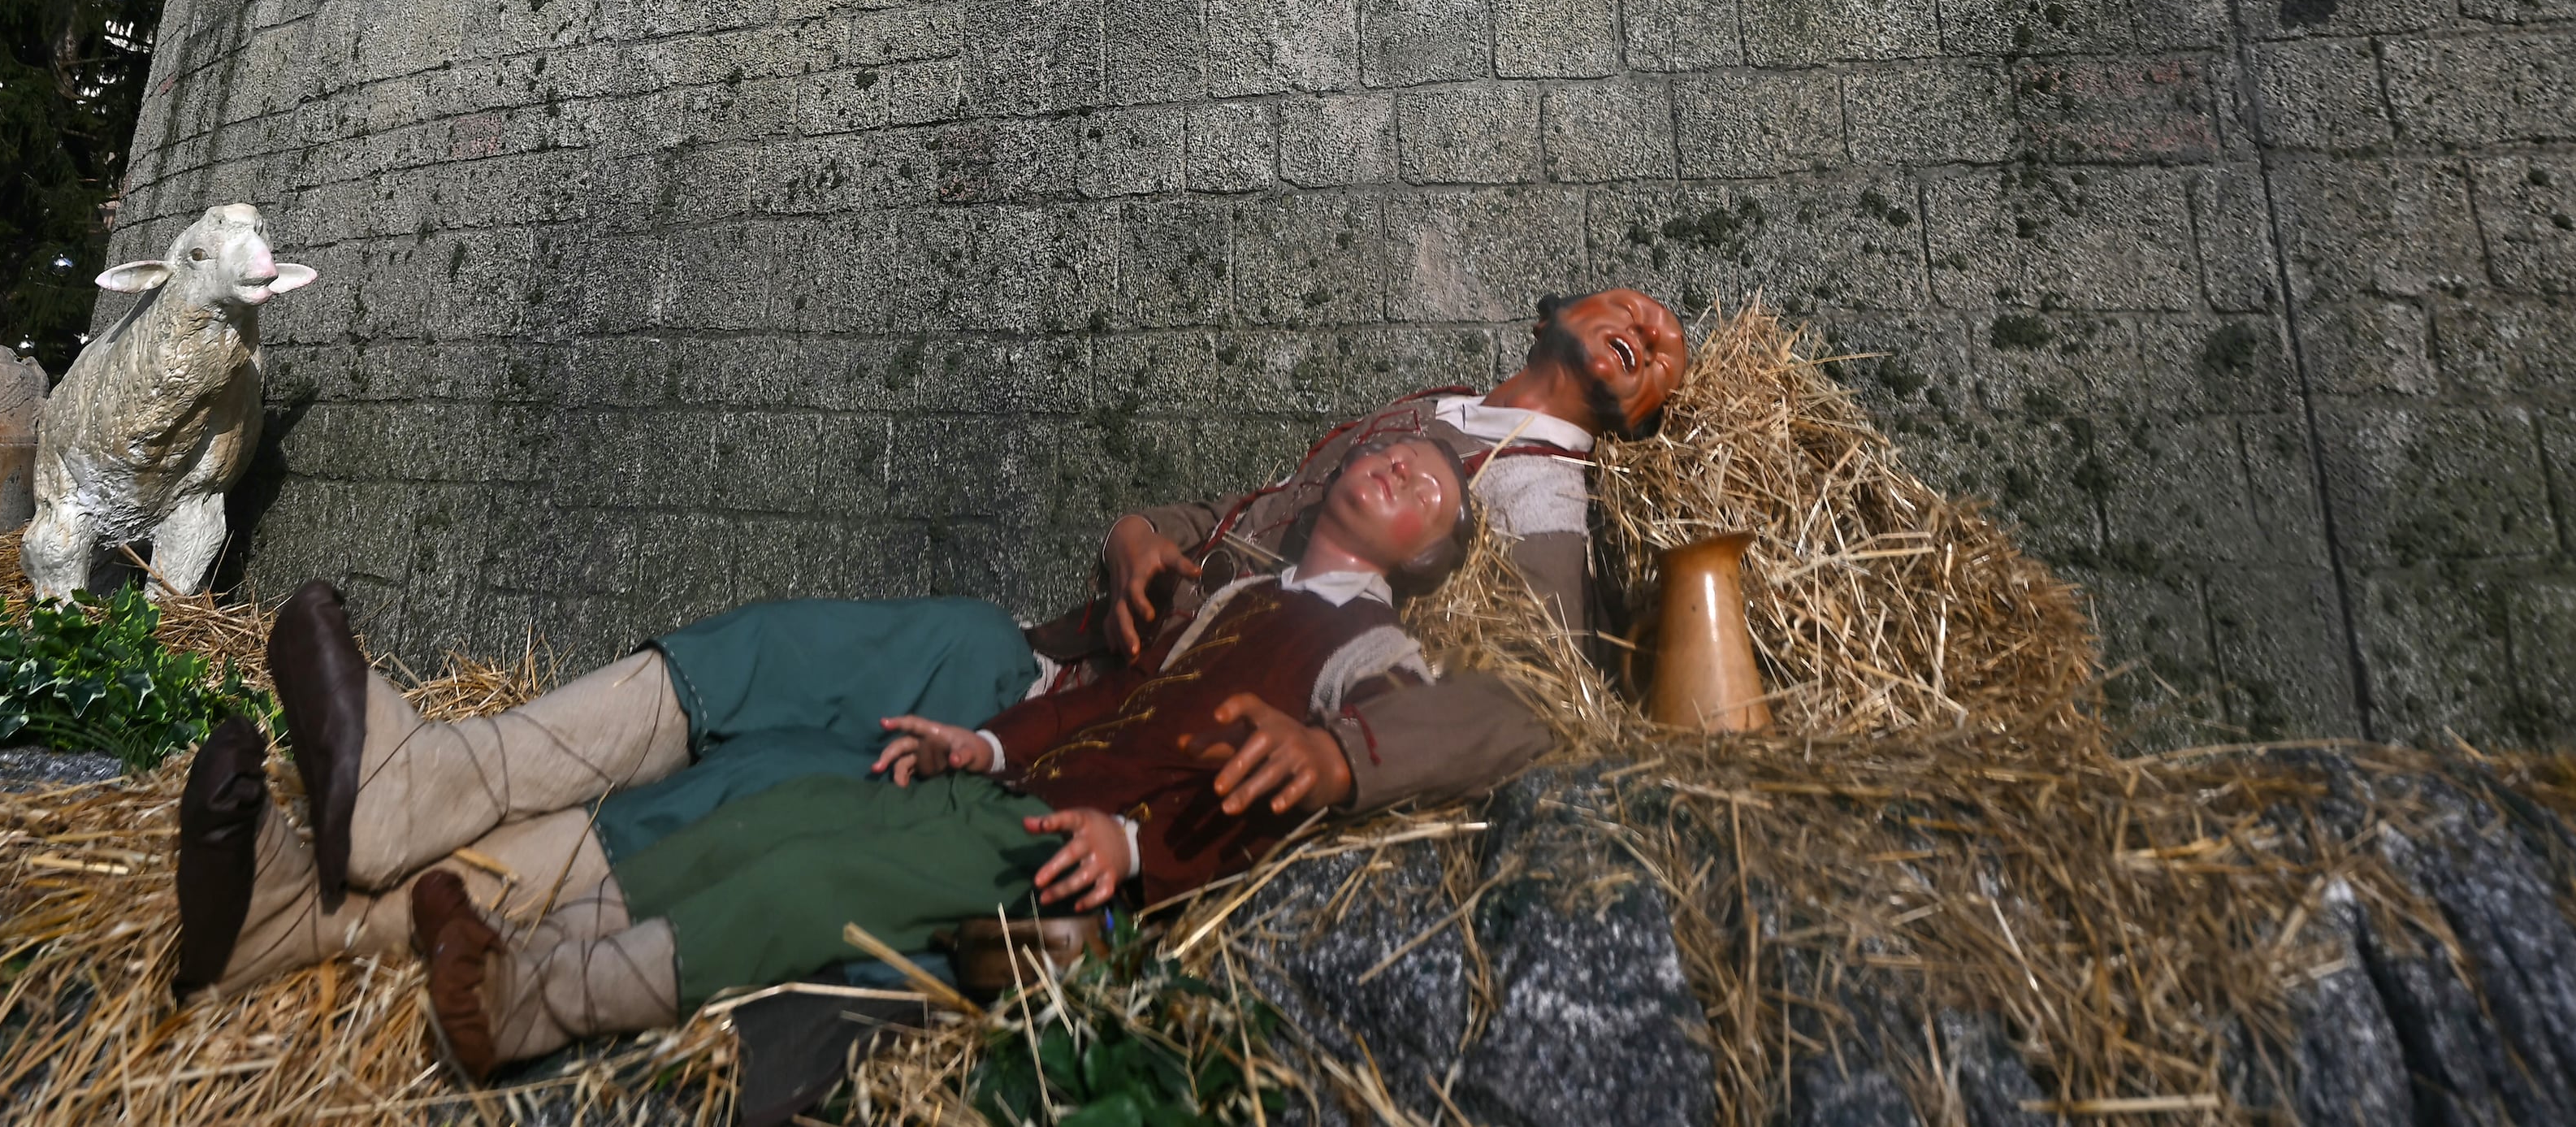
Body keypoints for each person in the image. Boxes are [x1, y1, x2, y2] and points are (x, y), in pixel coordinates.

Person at [172, 292, 1687, 994]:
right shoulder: (1422, 417)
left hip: (1088, 728)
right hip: (1048, 676)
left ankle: (333, 919)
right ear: (1552, 307)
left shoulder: (1536, 492)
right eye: (1627, 304)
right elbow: (1234, 531)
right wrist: (1136, 530)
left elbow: (1534, 692)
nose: (1643, 326)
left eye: (1660, 348)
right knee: (772, 652)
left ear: (1640, 406)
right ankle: (426, 789)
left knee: (765, 787)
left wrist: (1341, 745)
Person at [404, 438, 1466, 1078]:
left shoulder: (1368, 648)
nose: (1400, 465)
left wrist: (1139, 847)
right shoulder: (1243, 593)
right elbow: (1111, 699)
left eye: (1428, 488)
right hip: (1010, 789)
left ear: (1424, 555)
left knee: (812, 882)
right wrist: (986, 738)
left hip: (1065, 856)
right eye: (1395, 452)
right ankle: (521, 947)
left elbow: (1347, 762)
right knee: (777, 817)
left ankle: (530, 1008)